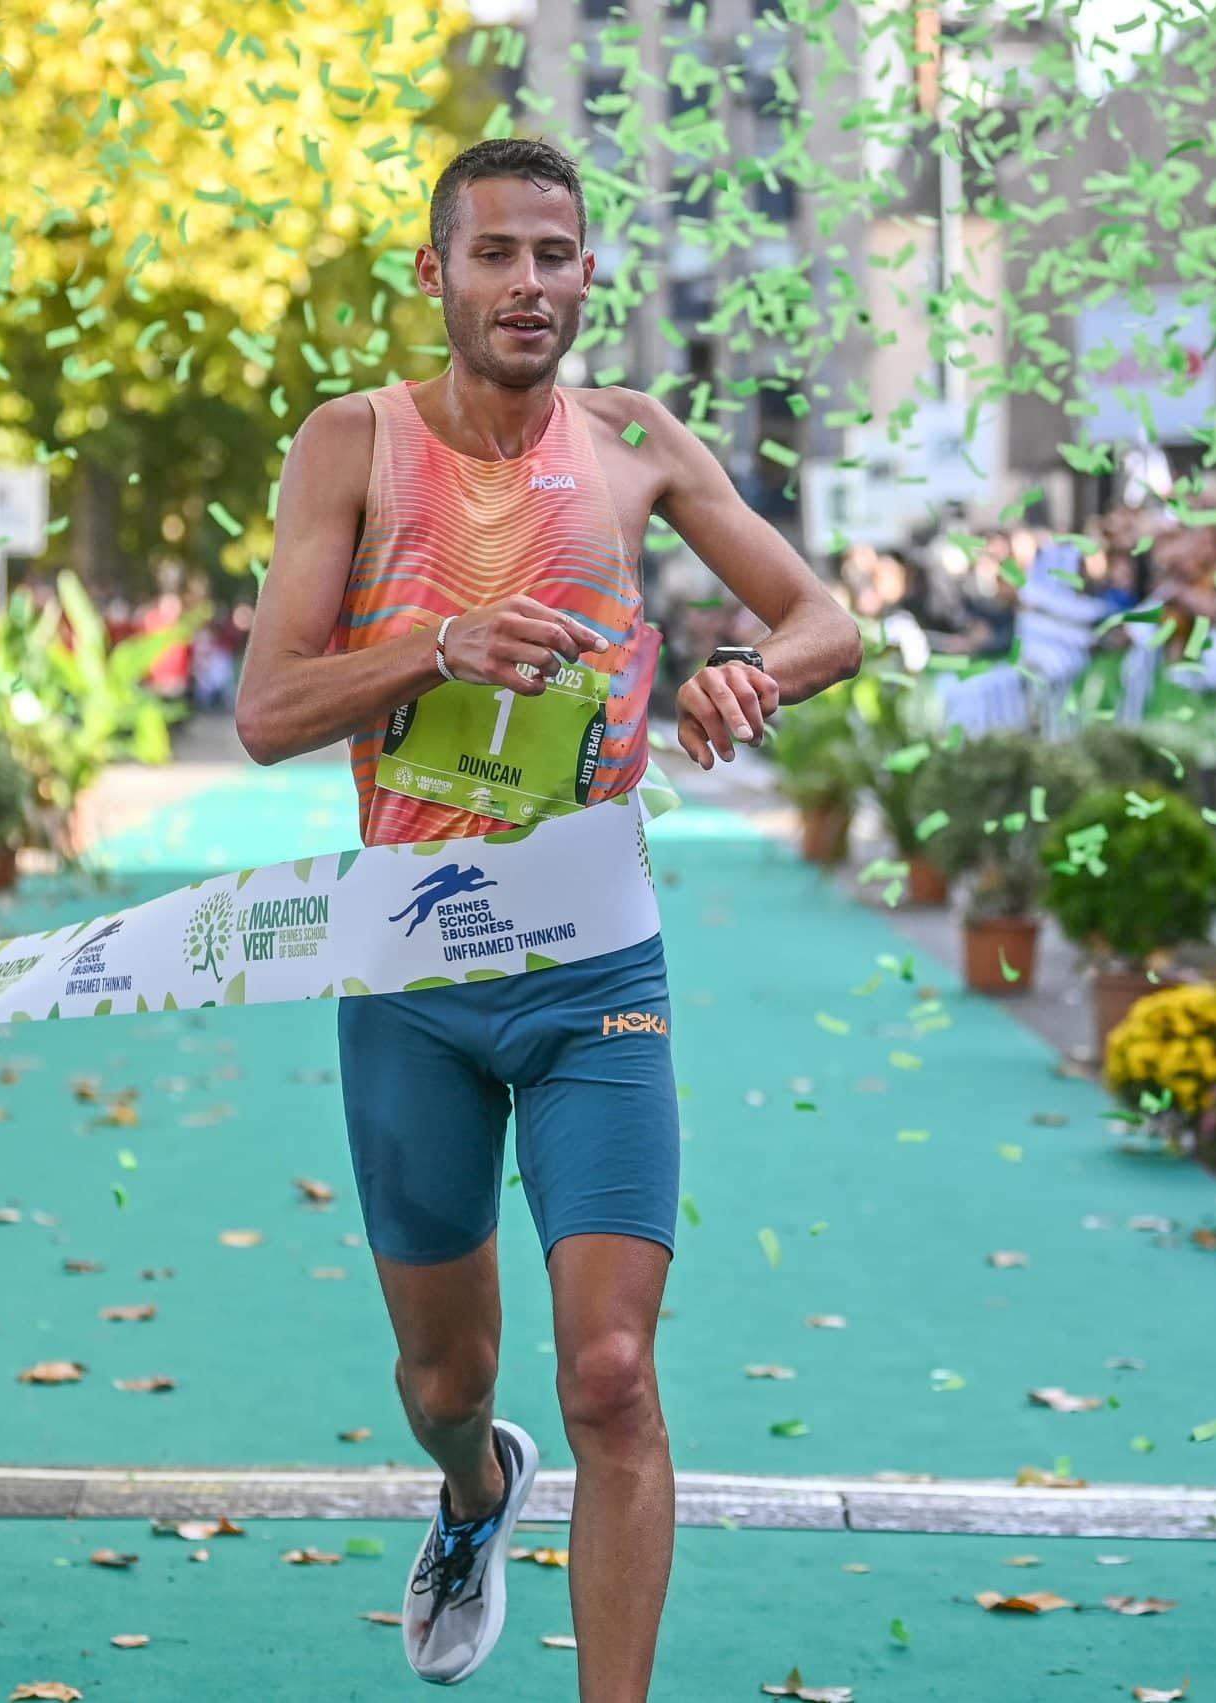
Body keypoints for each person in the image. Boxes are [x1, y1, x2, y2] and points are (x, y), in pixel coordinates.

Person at [234, 137, 859, 1698]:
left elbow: (826, 619)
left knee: (611, 1371)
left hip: (594, 969)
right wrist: (434, 645)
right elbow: (265, 710)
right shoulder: (351, 442)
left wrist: (747, 676)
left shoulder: (640, 439)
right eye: (496, 253)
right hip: (414, 969)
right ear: (433, 273)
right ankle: (470, 1488)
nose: (528, 282)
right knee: (448, 1377)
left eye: (556, 255)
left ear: (591, 276)